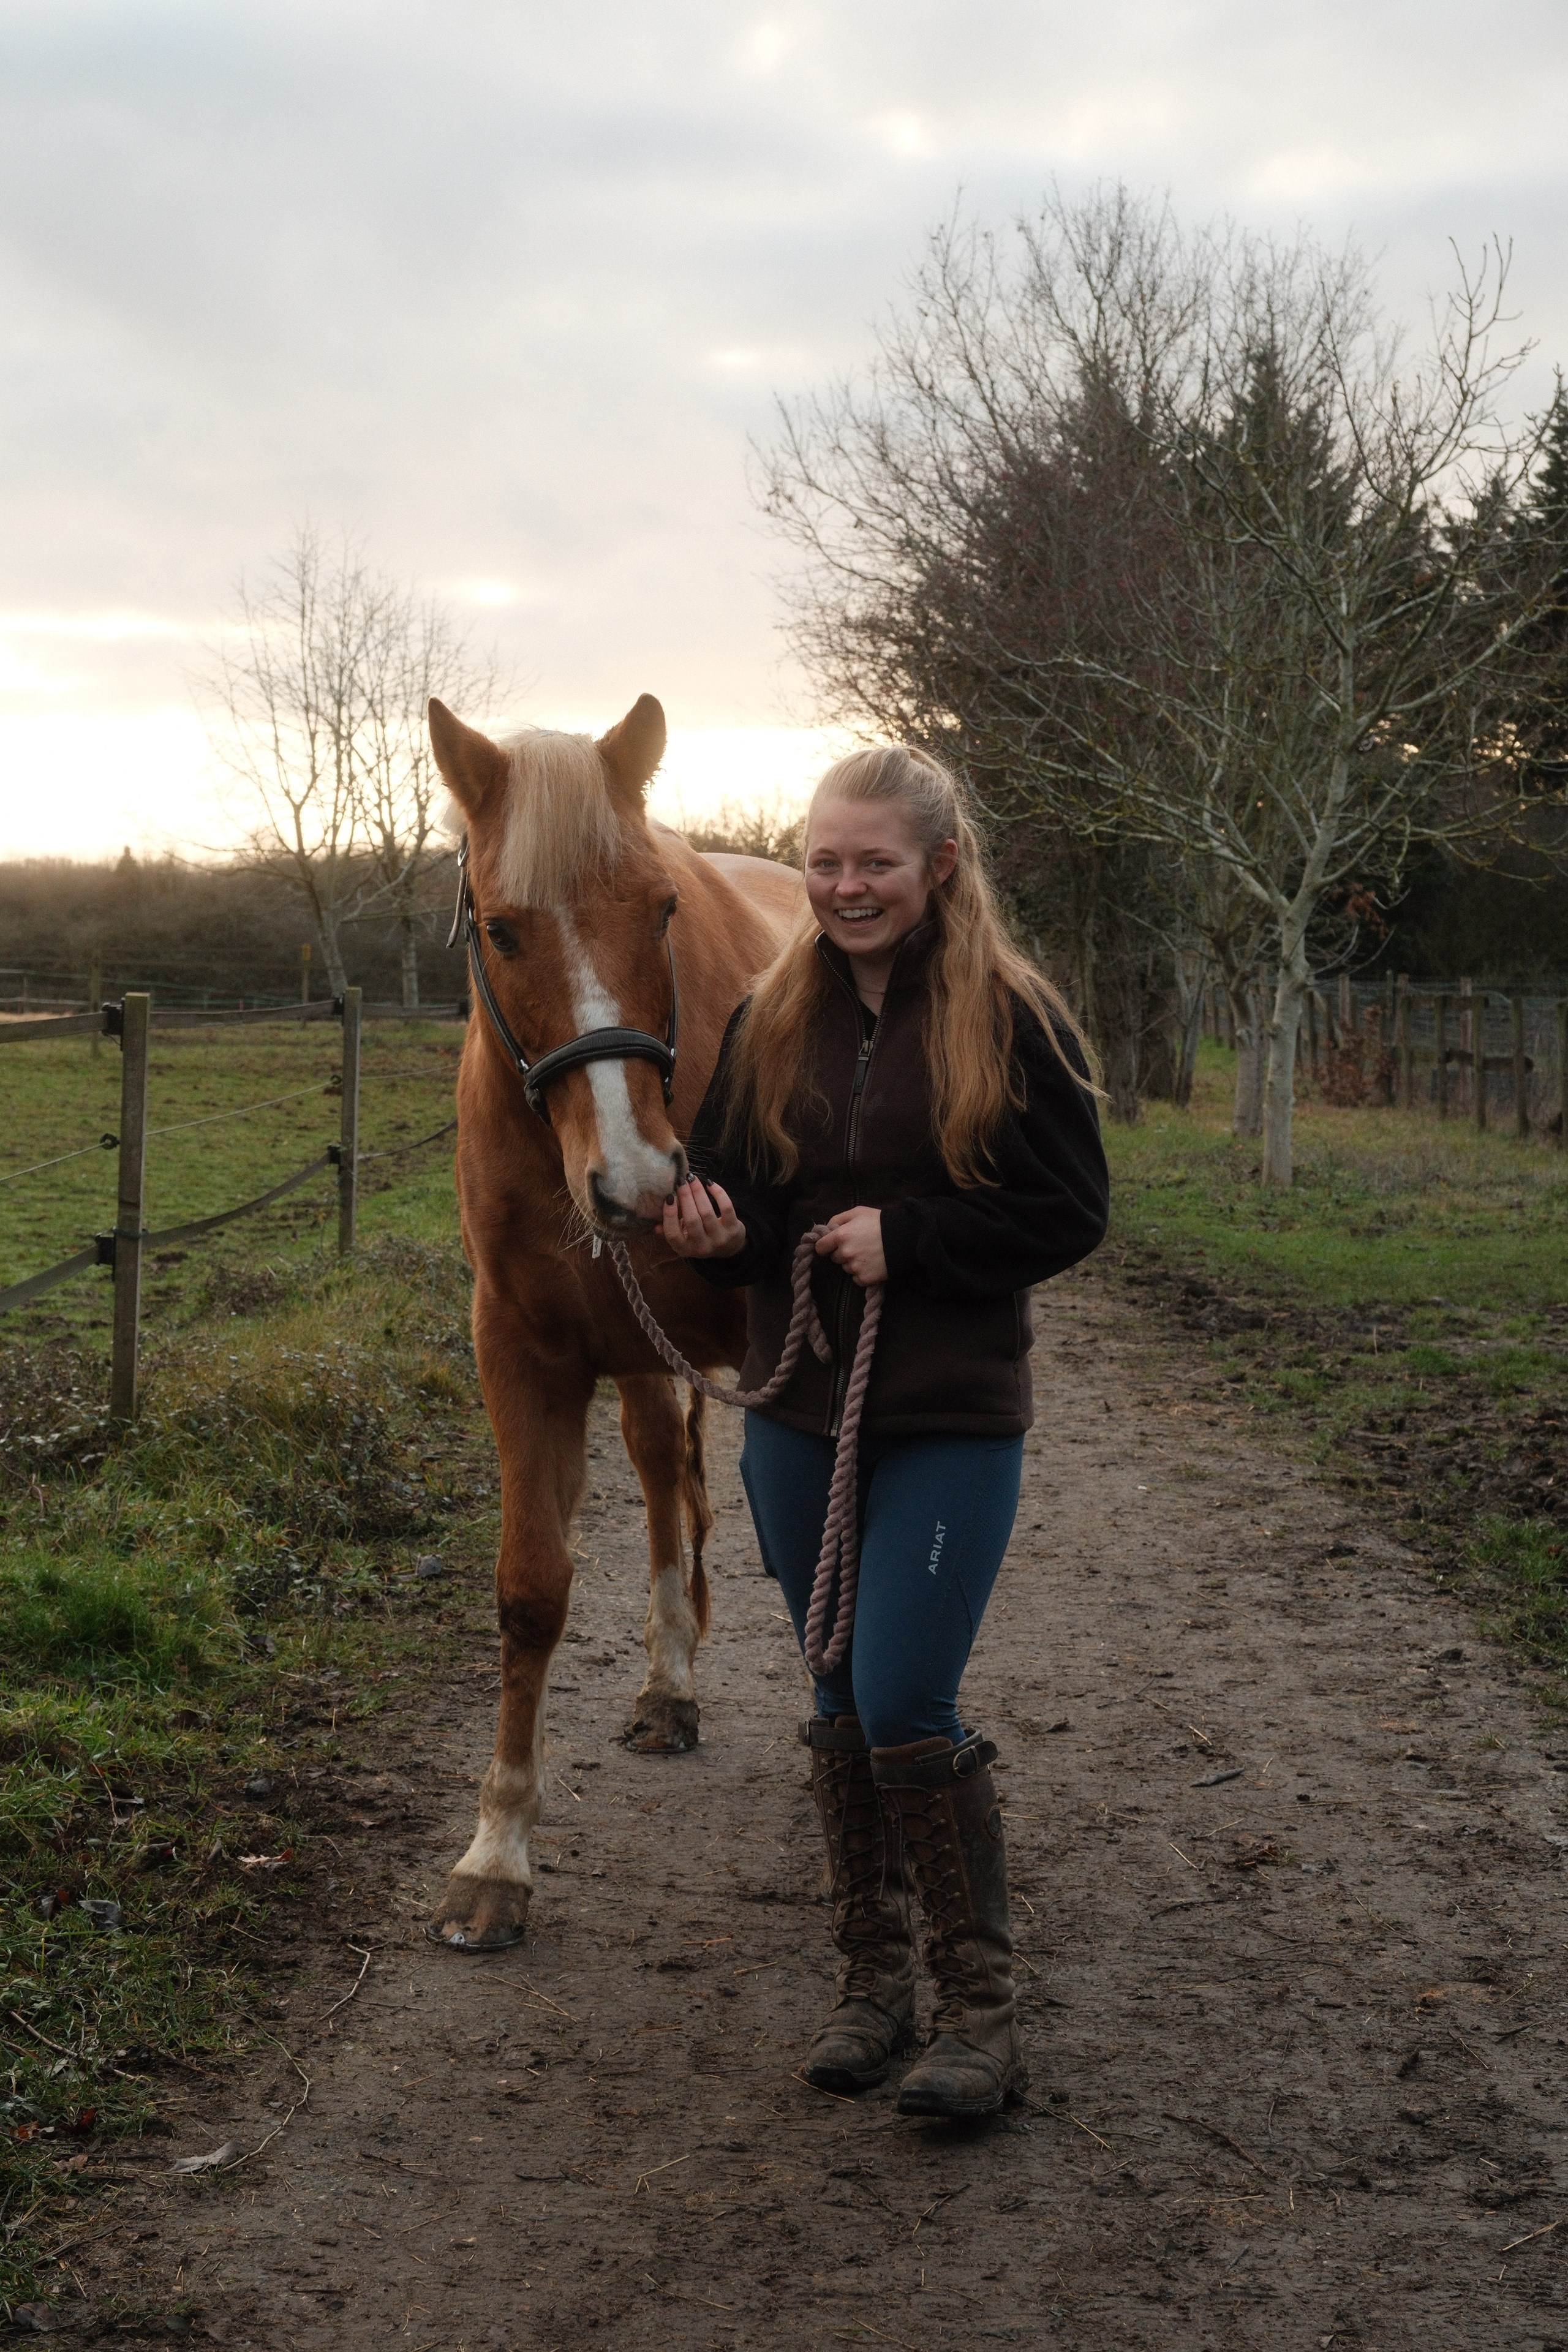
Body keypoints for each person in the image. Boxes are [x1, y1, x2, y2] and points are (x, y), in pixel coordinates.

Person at [661, 744, 1109, 2120]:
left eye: (874, 864)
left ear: (938, 869)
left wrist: (906, 1238)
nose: (845, 887)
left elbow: (1067, 1212)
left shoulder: (1011, 1017)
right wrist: (716, 1231)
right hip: (795, 1410)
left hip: (948, 1411)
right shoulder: (767, 1016)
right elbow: (735, 1192)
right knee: (832, 1694)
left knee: (905, 1700)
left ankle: (981, 2010)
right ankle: (872, 1984)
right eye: (825, 861)